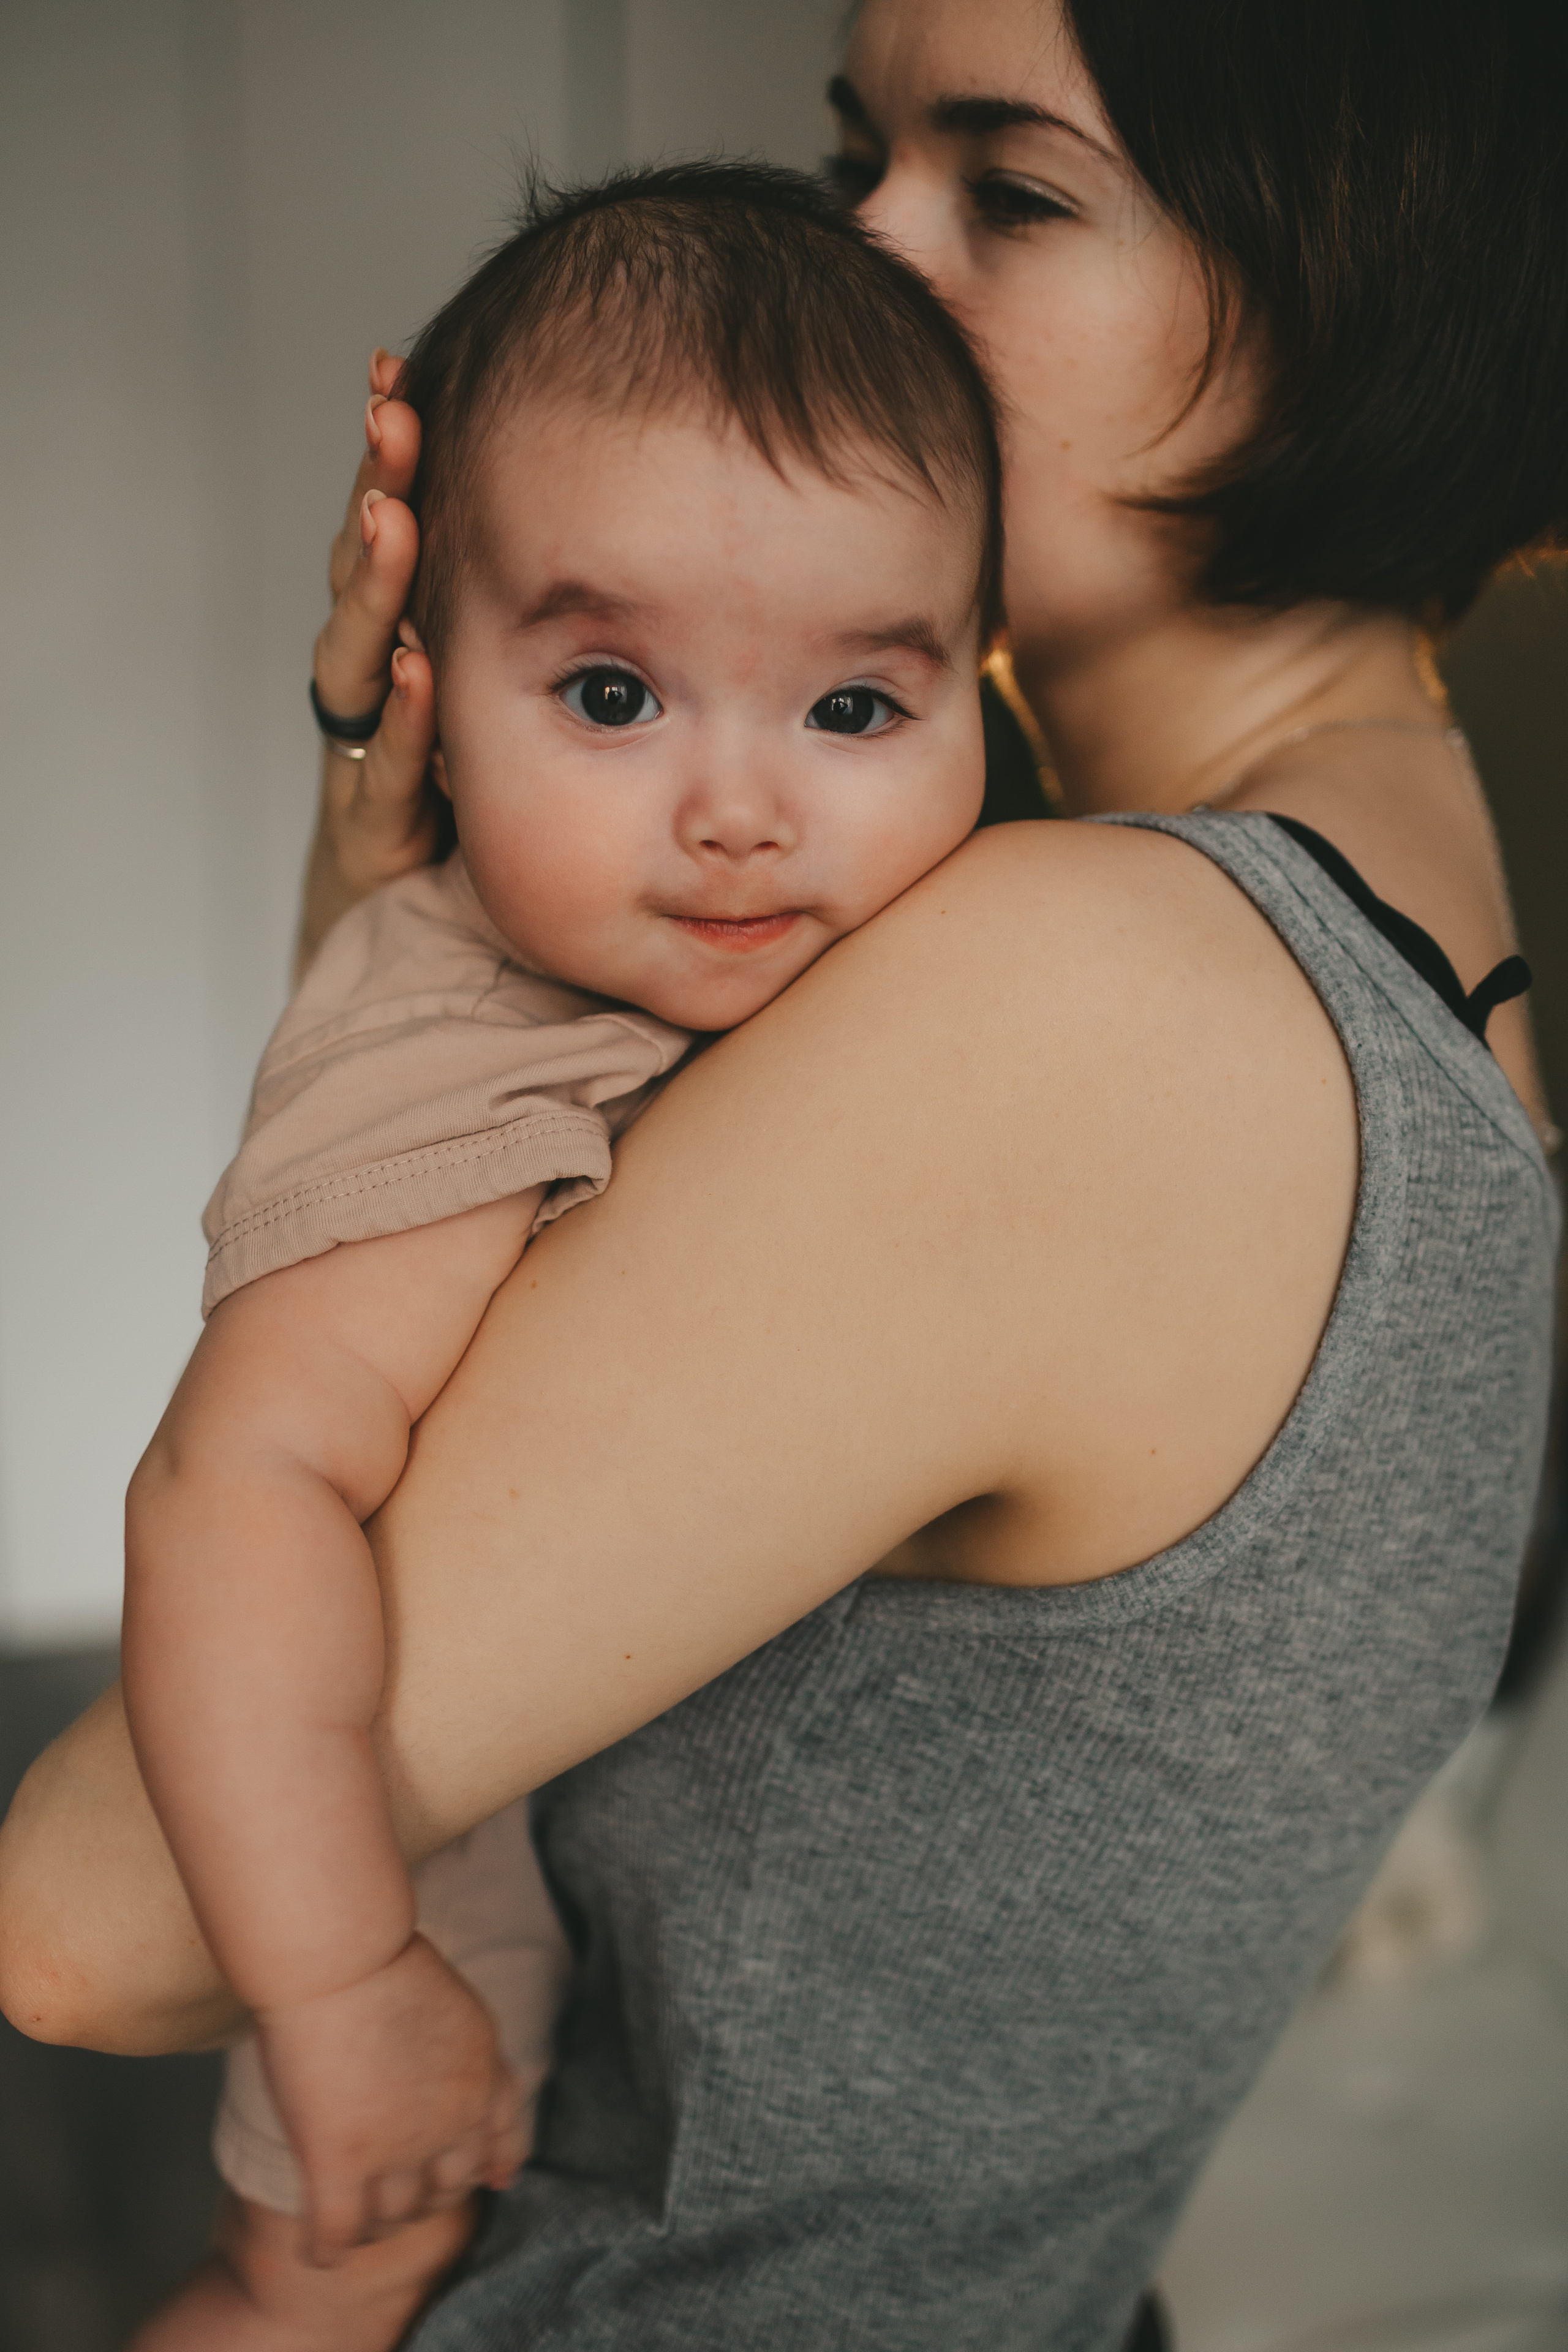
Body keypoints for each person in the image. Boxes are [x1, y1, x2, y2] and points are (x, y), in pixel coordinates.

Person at [1, 2, 1564, 2347]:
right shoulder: (1437, 960)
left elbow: (94, 1920)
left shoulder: (1091, 998)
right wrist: (409, 883)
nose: (872, 263)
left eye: (1011, 192)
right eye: (865, 162)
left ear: (1363, 279)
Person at [118, 164, 1003, 2351]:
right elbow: (234, 1488)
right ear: (430, 688)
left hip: (658, 1860)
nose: (737, 809)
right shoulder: (460, 1060)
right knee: (331, 2279)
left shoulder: (836, 950)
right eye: (613, 698)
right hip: (419, 1878)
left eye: (857, 712)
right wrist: (338, 1981)